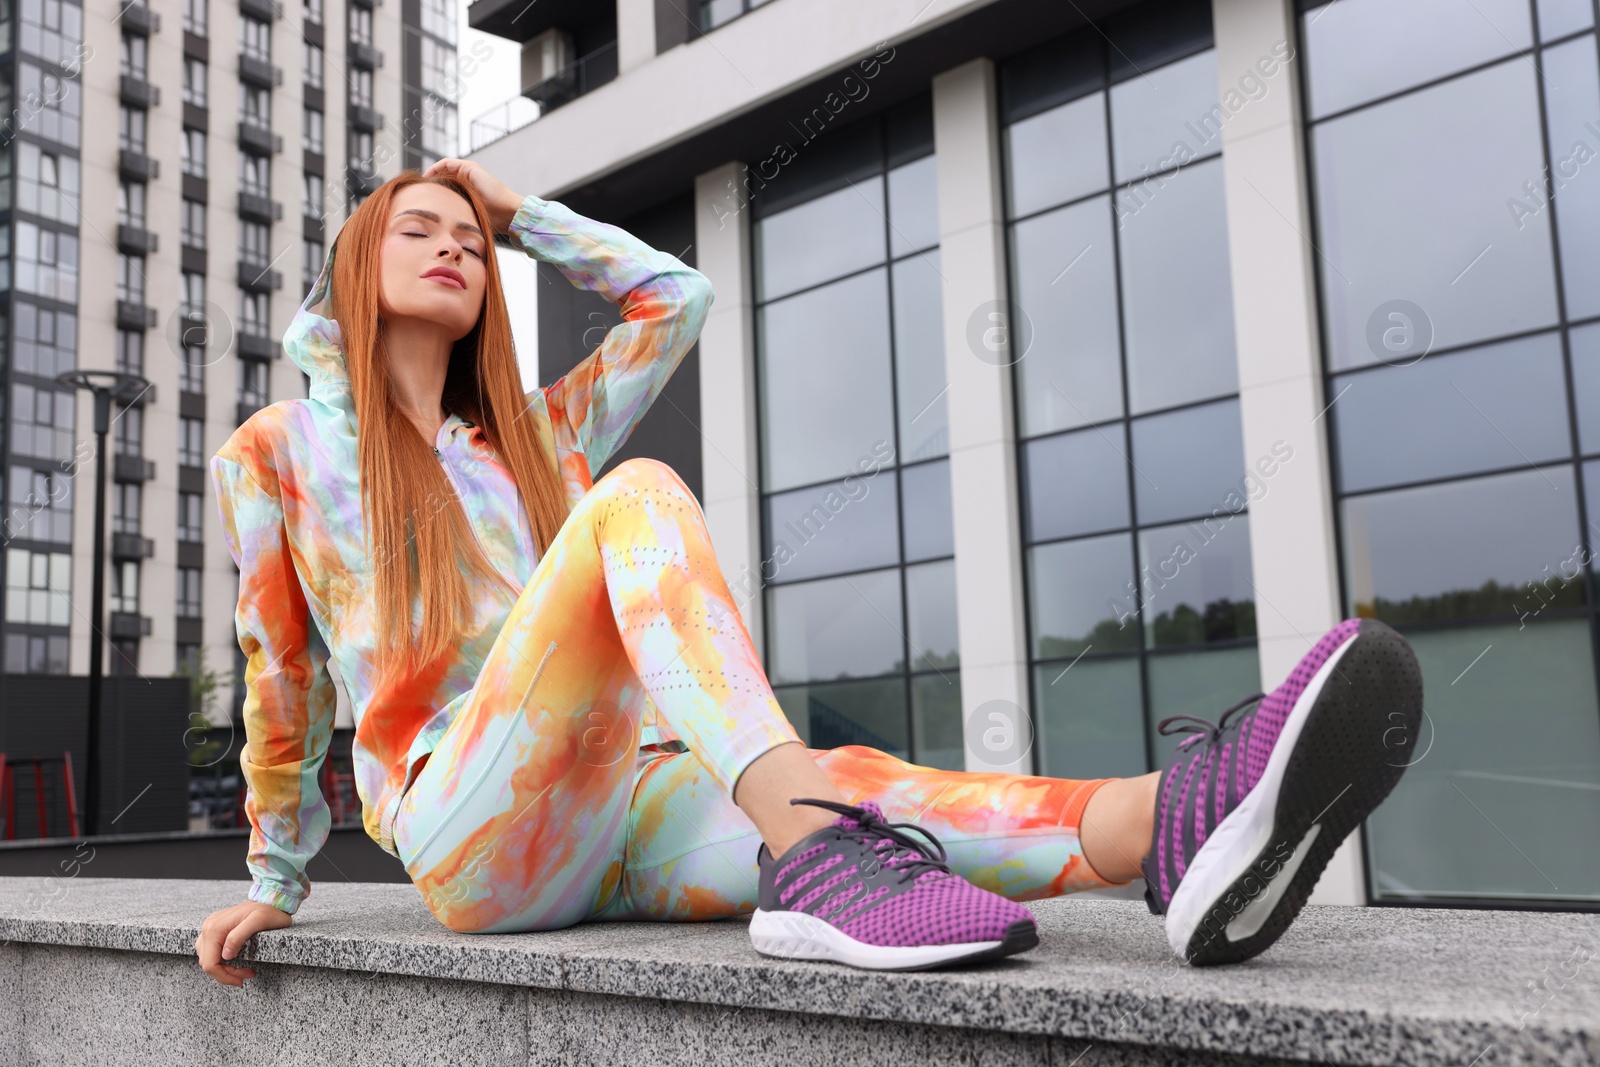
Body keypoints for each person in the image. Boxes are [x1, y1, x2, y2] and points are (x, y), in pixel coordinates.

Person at [194, 160, 1424, 986]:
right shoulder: (280, 453)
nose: (456, 246)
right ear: (357, 263)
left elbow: (676, 299)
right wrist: (274, 878)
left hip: (624, 808)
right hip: (472, 831)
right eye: (420, 228)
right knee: (641, 500)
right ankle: (812, 861)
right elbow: (278, 684)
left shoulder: (534, 439)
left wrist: (521, 214)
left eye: (471, 239)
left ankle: (1176, 823)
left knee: (856, 785)